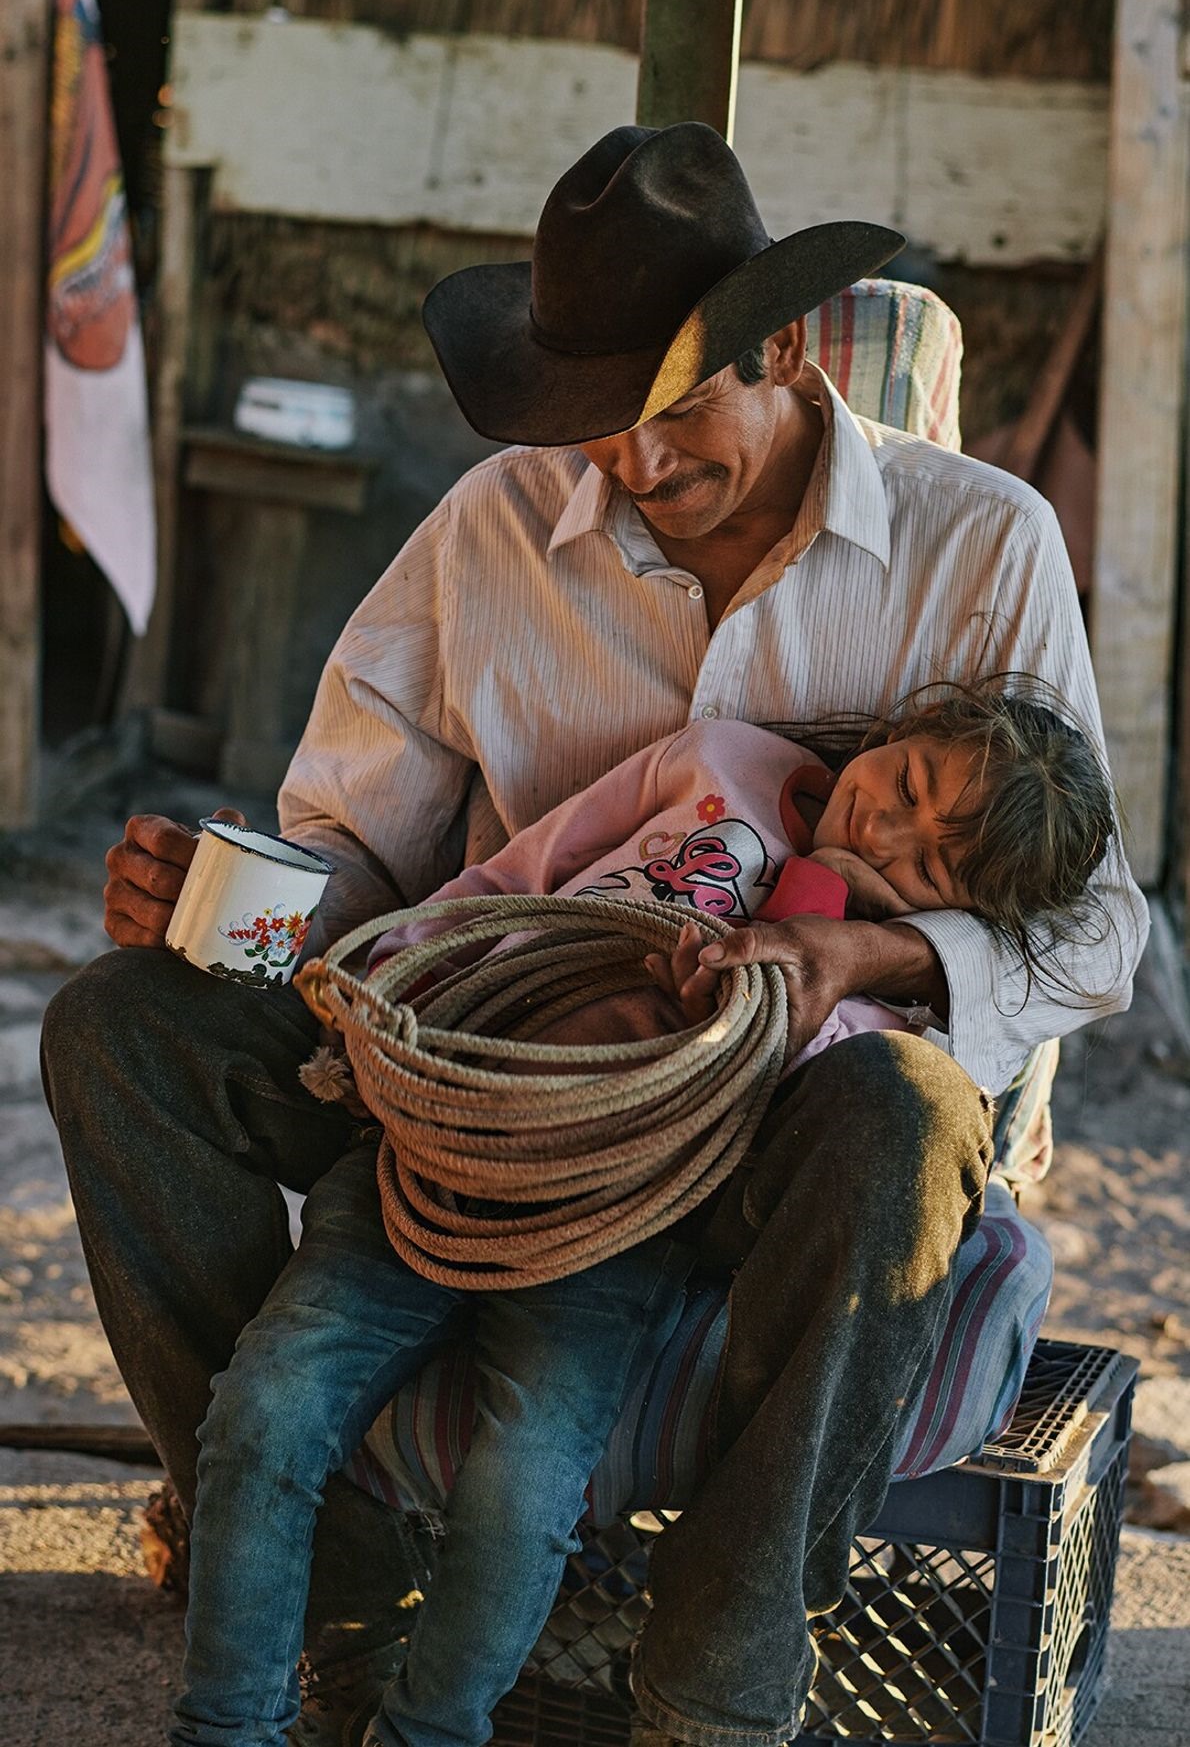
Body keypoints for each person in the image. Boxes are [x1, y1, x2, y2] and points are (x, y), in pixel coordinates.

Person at [41, 122, 1147, 1747]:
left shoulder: (981, 548)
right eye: (595, 420)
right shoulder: (492, 534)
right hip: (483, 1080)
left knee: (907, 1124)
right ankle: (333, 1582)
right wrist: (220, 907)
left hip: (772, 1140)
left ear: (782, 348)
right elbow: (353, 860)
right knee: (118, 1026)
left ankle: (714, 1686)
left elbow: (1100, 927)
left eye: (674, 408)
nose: (630, 462)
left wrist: (871, 956)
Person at [167, 679, 1117, 1747]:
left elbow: (766, 1082)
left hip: (611, 1229)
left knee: (523, 1486)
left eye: (927, 867)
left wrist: (816, 904)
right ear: (891, 737)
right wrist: (394, 972)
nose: (882, 830)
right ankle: (226, 1725)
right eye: (900, 784)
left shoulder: (887, 999)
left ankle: (429, 1733)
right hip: (434, 1142)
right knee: (264, 1411)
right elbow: (524, 872)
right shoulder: (718, 764)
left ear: (958, 917)